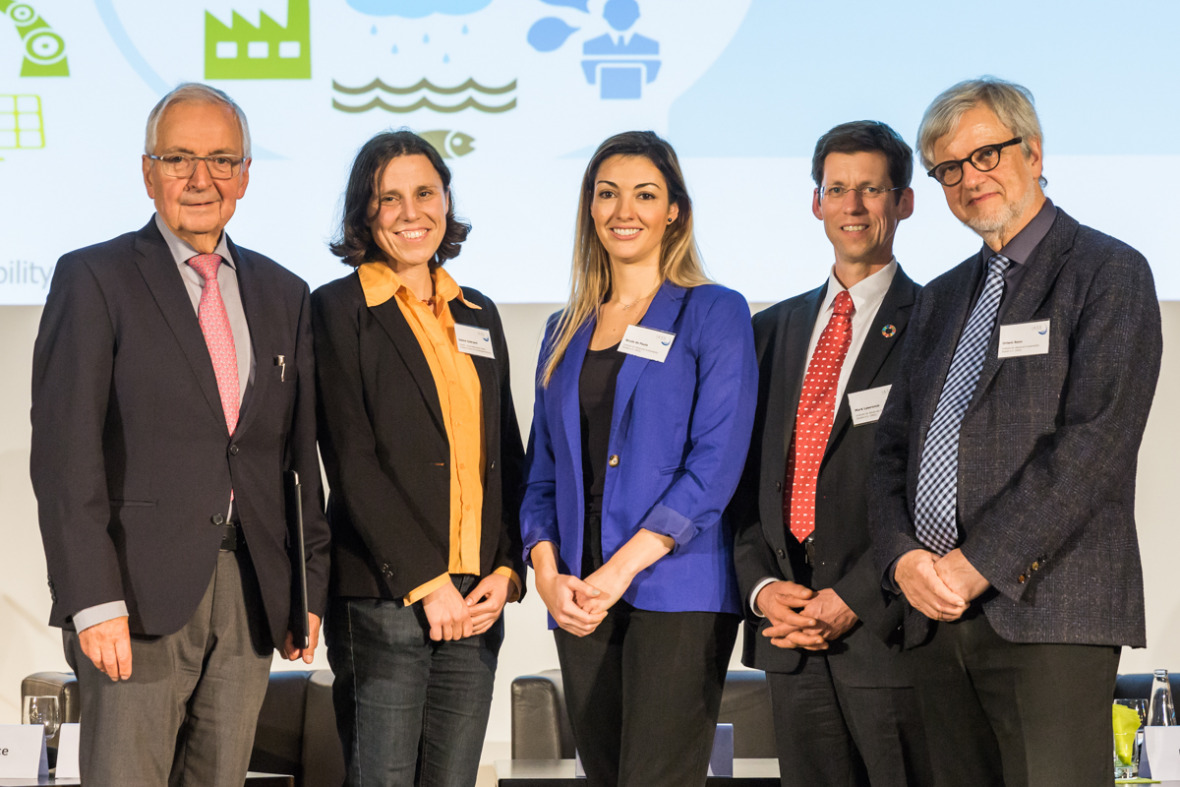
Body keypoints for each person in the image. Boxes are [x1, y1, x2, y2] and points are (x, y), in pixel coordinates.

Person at [29, 82, 329, 785]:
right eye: (179, 158)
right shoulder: (94, 277)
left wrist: (306, 590)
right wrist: (92, 599)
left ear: (245, 176)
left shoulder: (283, 292)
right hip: (133, 597)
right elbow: (64, 456)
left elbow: (296, 459)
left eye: (222, 160)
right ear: (147, 171)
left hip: (252, 594)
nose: (201, 179)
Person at [868, 77, 1163, 786]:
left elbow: (1093, 445)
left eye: (986, 155)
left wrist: (974, 565)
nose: (969, 180)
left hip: (1048, 613)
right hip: (934, 620)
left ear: (1032, 151)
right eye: (948, 169)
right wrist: (906, 559)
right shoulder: (937, 299)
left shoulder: (1108, 272)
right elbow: (891, 455)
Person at [520, 130, 757, 787]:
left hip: (677, 591)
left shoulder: (715, 311)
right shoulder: (561, 329)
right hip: (579, 594)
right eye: (607, 193)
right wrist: (548, 573)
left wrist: (619, 571)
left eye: (645, 194)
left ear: (674, 209)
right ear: (590, 209)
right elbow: (543, 472)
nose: (624, 209)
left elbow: (715, 465)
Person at [311, 129, 525, 786]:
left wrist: (509, 565)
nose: (412, 213)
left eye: (425, 192)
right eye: (390, 198)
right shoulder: (337, 309)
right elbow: (352, 461)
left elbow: (505, 452)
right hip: (386, 597)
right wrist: (429, 584)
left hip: (477, 594)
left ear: (446, 200)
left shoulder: (477, 310)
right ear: (364, 213)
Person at [731, 120, 931, 787]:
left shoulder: (937, 322)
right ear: (815, 202)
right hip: (789, 641)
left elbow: (940, 493)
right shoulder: (767, 331)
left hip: (887, 637)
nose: (852, 206)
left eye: (870, 189)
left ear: (902, 202)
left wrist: (855, 594)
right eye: (837, 189)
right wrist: (762, 590)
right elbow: (740, 483)